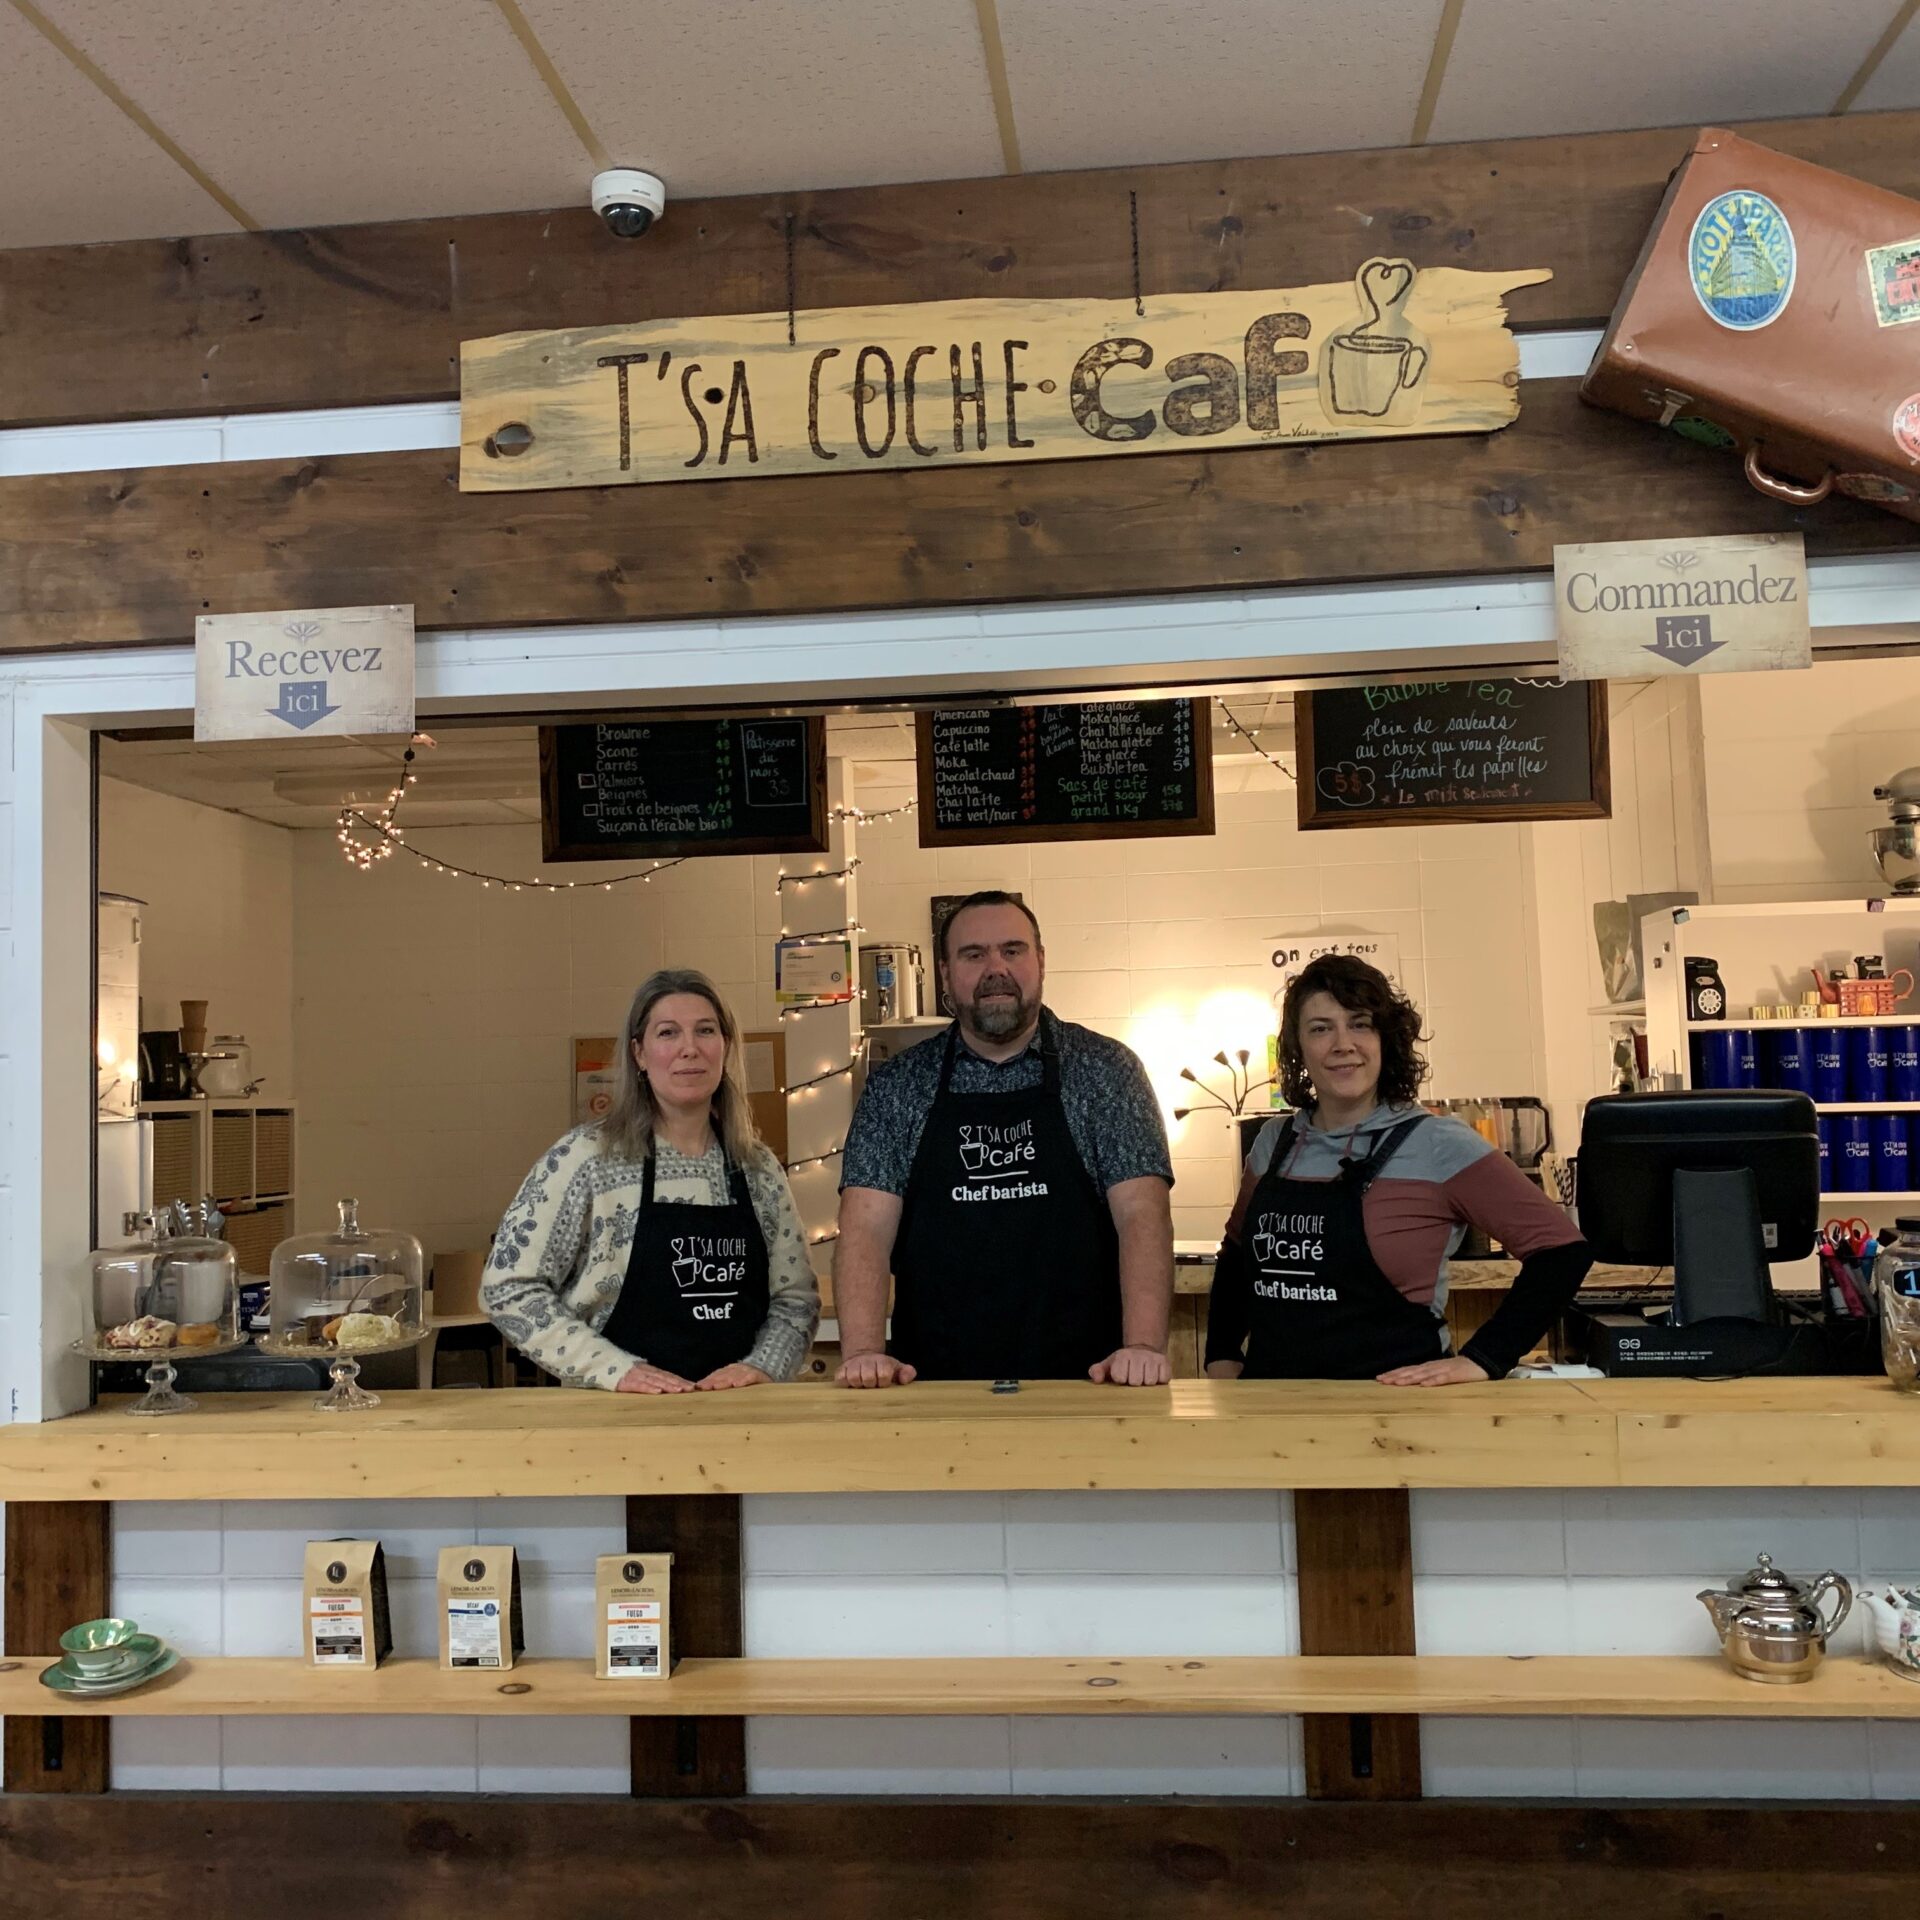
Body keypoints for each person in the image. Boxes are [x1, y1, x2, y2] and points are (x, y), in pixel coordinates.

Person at [834, 890, 1175, 1388]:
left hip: (1086, 1389)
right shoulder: (897, 1085)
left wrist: (1142, 1348)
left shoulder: (1108, 1072)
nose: (996, 967)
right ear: (947, 975)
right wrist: (864, 1353)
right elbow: (865, 1229)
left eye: (1012, 950)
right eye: (974, 954)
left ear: (1040, 962)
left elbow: (1143, 1216)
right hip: (932, 1392)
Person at [1205, 954, 1590, 1385]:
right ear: (1297, 1048)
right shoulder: (1274, 1143)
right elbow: (1236, 1255)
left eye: (1360, 1023)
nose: (1342, 1043)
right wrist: (1220, 1354)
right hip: (1271, 1409)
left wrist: (1485, 1357)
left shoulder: (1438, 1143)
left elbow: (1561, 1252)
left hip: (1396, 1415)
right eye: (1320, 1028)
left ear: (1385, 1038)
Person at [483, 968, 818, 1391]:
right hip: (612, 1424)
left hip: (738, 1419)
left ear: (726, 1047)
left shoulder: (758, 1169)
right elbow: (508, 1286)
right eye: (667, 1033)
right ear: (639, 1054)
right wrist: (613, 1370)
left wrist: (763, 1367)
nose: (689, 1049)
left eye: (705, 1031)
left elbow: (796, 1301)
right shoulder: (585, 1159)